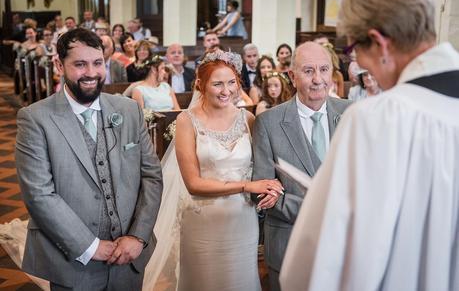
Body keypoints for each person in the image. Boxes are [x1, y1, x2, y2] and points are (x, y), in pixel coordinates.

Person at [280, 0, 459, 290]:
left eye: (353, 50)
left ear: (378, 42)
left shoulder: (377, 120)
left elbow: (313, 266)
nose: (358, 63)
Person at [15, 28, 163, 290]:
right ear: (59, 65)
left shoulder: (129, 111)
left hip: (129, 258)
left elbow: (151, 175)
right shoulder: (35, 118)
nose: (91, 73)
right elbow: (39, 194)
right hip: (72, 261)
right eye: (80, 65)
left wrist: (138, 237)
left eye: (97, 63)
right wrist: (90, 246)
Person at [173, 51, 282, 291]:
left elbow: (265, 170)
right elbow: (193, 183)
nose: (226, 90)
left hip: (243, 219)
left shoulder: (249, 120)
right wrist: (245, 186)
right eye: (218, 84)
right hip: (203, 221)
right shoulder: (186, 121)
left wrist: (271, 189)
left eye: (232, 82)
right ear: (201, 84)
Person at [252, 41, 351, 291]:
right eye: (308, 71)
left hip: (345, 246)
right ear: (292, 77)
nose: (318, 79)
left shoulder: (352, 113)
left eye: (324, 69)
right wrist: (320, 210)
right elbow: (264, 192)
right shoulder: (268, 123)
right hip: (290, 243)